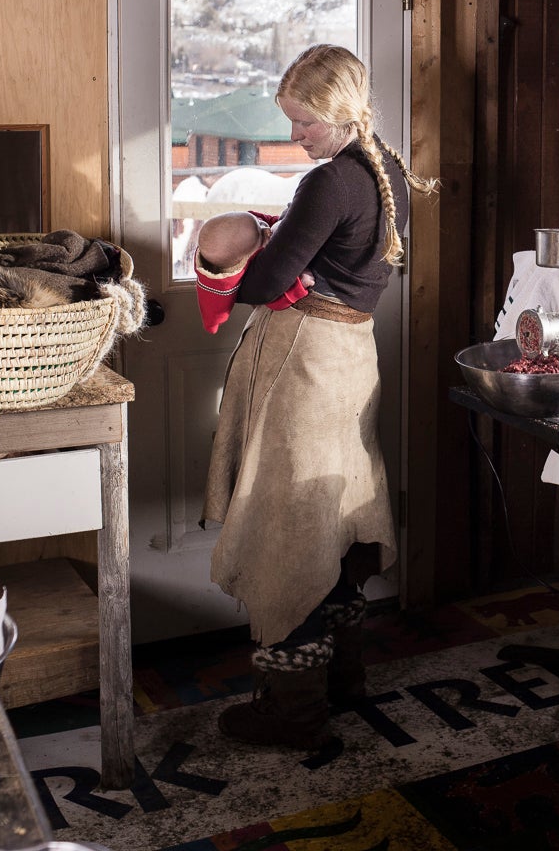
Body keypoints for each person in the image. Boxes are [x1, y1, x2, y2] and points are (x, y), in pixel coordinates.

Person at [193, 43, 435, 751]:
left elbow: (267, 285)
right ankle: (342, 677)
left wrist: (245, 247)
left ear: (337, 114)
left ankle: (294, 707)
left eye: (303, 123)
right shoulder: (382, 166)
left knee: (289, 526)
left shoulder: (330, 183)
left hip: (305, 365)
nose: (295, 136)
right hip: (349, 357)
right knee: (330, 517)